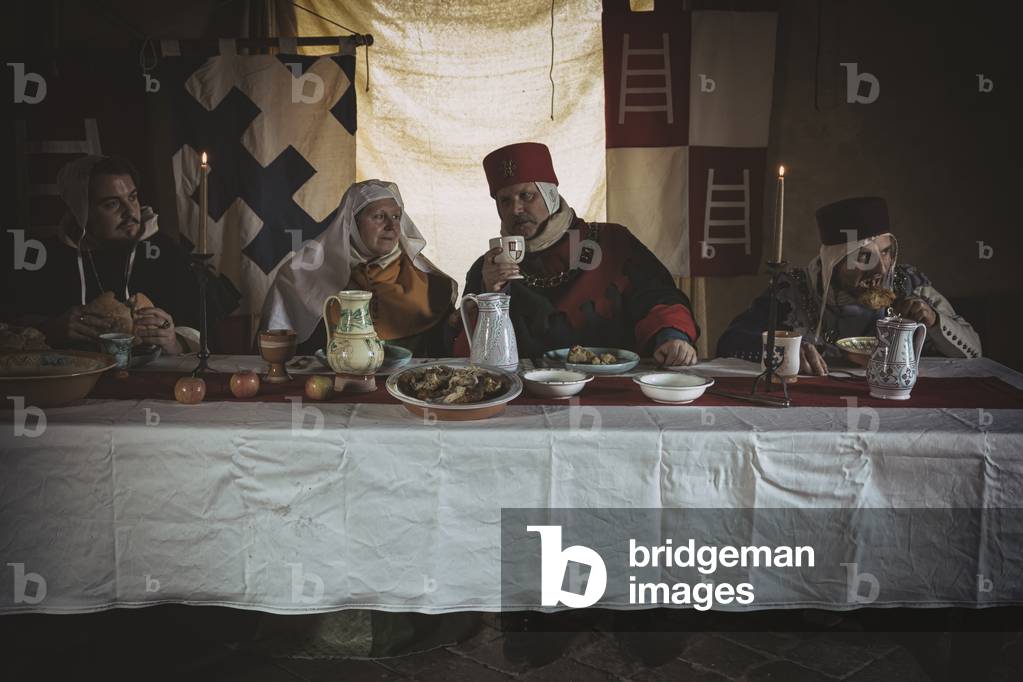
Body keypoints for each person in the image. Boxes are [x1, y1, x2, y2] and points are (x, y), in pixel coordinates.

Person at [457, 142, 698, 365]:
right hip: (525, 393)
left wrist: (671, 337)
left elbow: (658, 296)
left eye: (526, 195)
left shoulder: (613, 243)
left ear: (551, 195)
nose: (516, 209)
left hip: (611, 388)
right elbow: (464, 350)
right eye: (505, 201)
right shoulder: (487, 269)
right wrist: (490, 295)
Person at [717, 196, 981, 373]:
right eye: (864, 257)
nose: (881, 268)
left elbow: (974, 353)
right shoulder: (794, 290)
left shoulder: (909, 285)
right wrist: (786, 350)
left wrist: (934, 321)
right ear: (835, 262)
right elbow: (730, 342)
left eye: (886, 252)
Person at [1, 155, 234, 354]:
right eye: (112, 204)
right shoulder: (42, 259)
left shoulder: (166, 254)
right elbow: (11, 335)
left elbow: (207, 337)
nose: (130, 212)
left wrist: (175, 341)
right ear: (81, 211)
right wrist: (50, 331)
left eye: (132, 197)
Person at [261, 180, 459, 356]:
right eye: (380, 217)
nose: (392, 226)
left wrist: (451, 327)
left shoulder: (429, 283)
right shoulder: (301, 276)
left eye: (397, 217)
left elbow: (444, 351)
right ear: (352, 224)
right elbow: (279, 350)